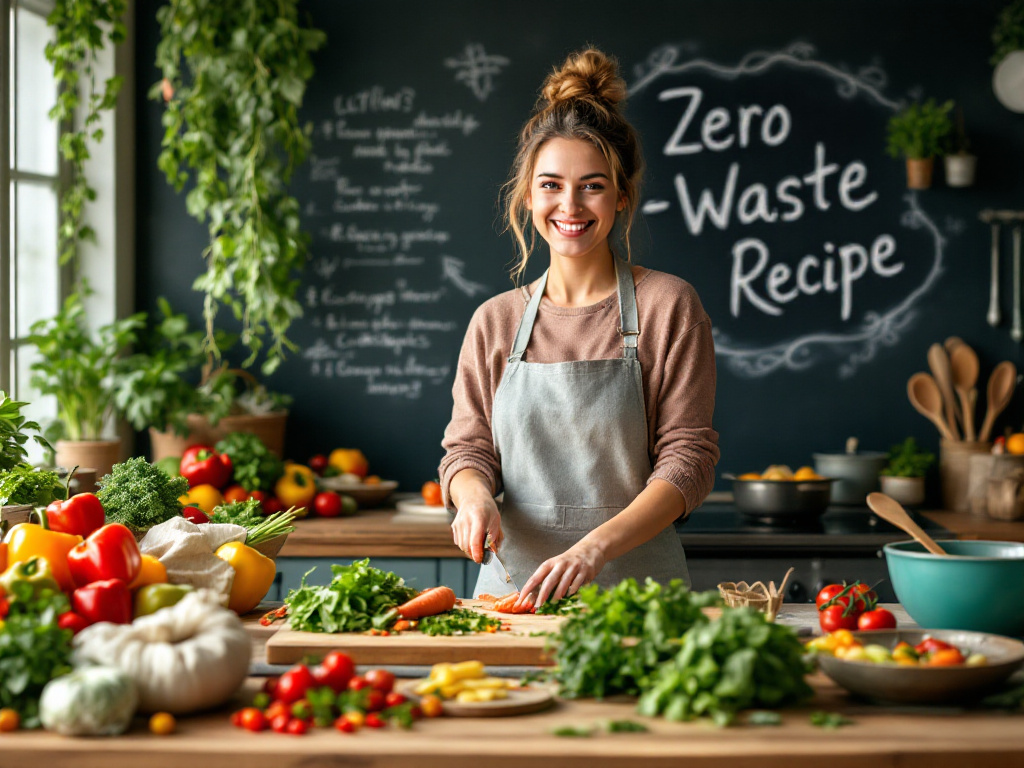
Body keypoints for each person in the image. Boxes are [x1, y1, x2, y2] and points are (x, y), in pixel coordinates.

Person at [438, 48, 719, 608]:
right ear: (528, 195)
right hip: (512, 595)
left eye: (592, 185)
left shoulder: (669, 305)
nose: (570, 205)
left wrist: (592, 550)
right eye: (551, 185)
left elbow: (687, 462)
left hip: (639, 599)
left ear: (621, 197)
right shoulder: (496, 321)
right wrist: (472, 498)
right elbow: (466, 450)